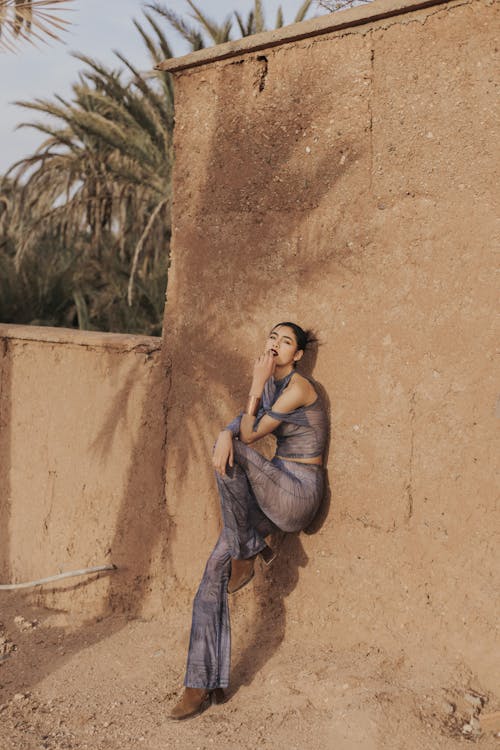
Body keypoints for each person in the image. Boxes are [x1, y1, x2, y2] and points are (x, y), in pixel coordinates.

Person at [170, 322, 328, 720]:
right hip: (271, 486)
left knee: (232, 450)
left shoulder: (299, 388)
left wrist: (253, 391)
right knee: (212, 573)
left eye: (286, 341)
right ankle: (200, 683)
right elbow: (240, 423)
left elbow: (251, 433)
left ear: (298, 356)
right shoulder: (275, 385)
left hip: (298, 492)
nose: (276, 344)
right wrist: (227, 431)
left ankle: (248, 547)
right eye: (273, 337)